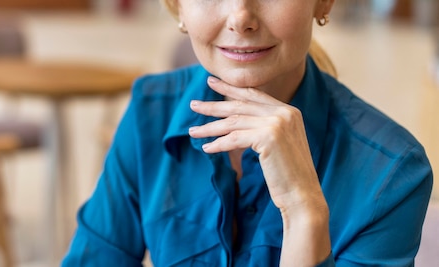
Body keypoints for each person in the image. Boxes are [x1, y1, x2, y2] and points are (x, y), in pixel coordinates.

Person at [62, 0, 434, 266]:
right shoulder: (150, 111)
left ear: (324, 3)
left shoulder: (393, 172)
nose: (241, 17)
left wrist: (304, 214)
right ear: (178, 7)